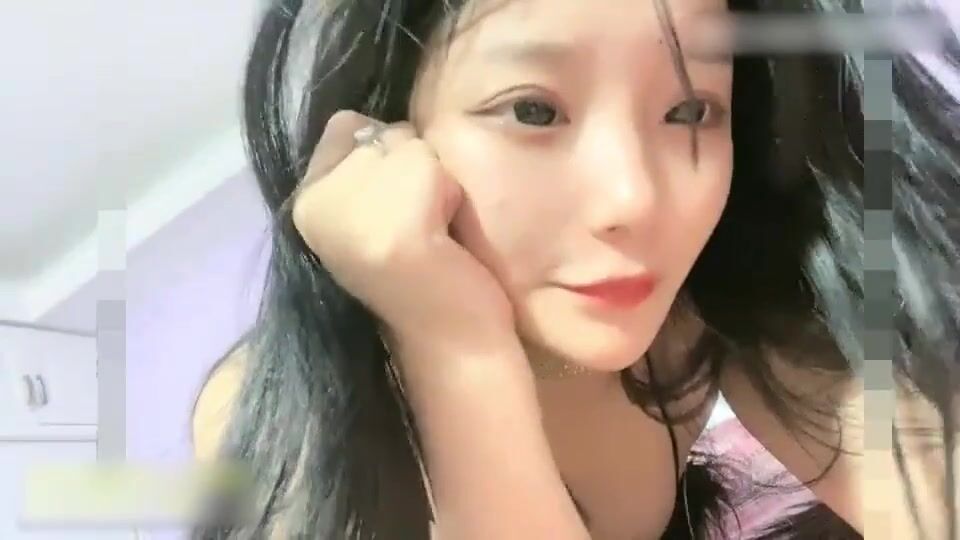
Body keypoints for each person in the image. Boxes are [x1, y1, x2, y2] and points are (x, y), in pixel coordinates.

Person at [190, 0, 960, 538]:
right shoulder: (286, 413)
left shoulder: (695, 318)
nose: (635, 197)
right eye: (533, 111)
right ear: (391, 128)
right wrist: (453, 347)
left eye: (690, 111)